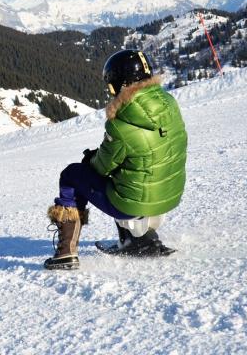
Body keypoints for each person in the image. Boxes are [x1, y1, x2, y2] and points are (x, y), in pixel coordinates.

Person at [45, 50, 187, 270]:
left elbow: (102, 167)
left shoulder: (120, 123)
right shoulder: (169, 105)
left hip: (133, 203)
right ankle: (140, 239)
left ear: (118, 85)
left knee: (72, 175)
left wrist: (90, 160)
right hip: (169, 195)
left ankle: (66, 253)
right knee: (136, 170)